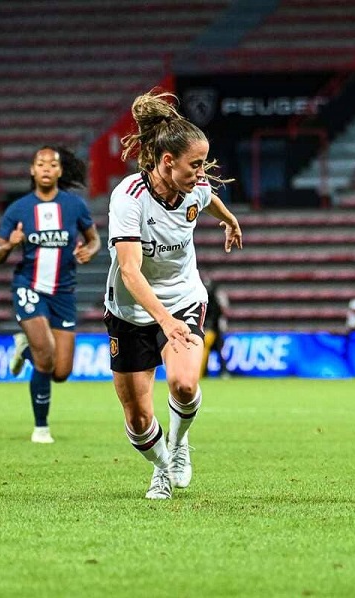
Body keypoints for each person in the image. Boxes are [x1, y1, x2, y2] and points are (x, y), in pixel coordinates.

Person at [104, 89, 243, 499]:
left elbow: (208, 198)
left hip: (183, 299)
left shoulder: (195, 189)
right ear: (167, 161)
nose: (202, 174)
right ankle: (161, 463)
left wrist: (230, 219)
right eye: (195, 165)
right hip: (130, 311)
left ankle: (178, 449)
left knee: (184, 384)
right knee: (138, 418)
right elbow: (129, 271)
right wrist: (162, 320)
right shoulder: (128, 199)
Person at [0, 146, 101, 444]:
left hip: (63, 292)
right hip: (29, 287)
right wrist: (9, 244)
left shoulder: (74, 206)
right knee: (46, 356)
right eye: (41, 164)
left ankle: (22, 348)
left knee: (61, 371)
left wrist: (88, 251)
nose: (47, 169)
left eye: (53, 164)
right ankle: (41, 427)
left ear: (60, 171)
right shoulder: (19, 209)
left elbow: (94, 239)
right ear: (32, 170)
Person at [201, 275, 230, 377]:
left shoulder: (216, 297)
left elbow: (221, 312)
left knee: (218, 349)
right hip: (209, 327)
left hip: (215, 327)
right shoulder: (205, 297)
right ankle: (206, 371)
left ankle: (223, 370)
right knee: (207, 350)